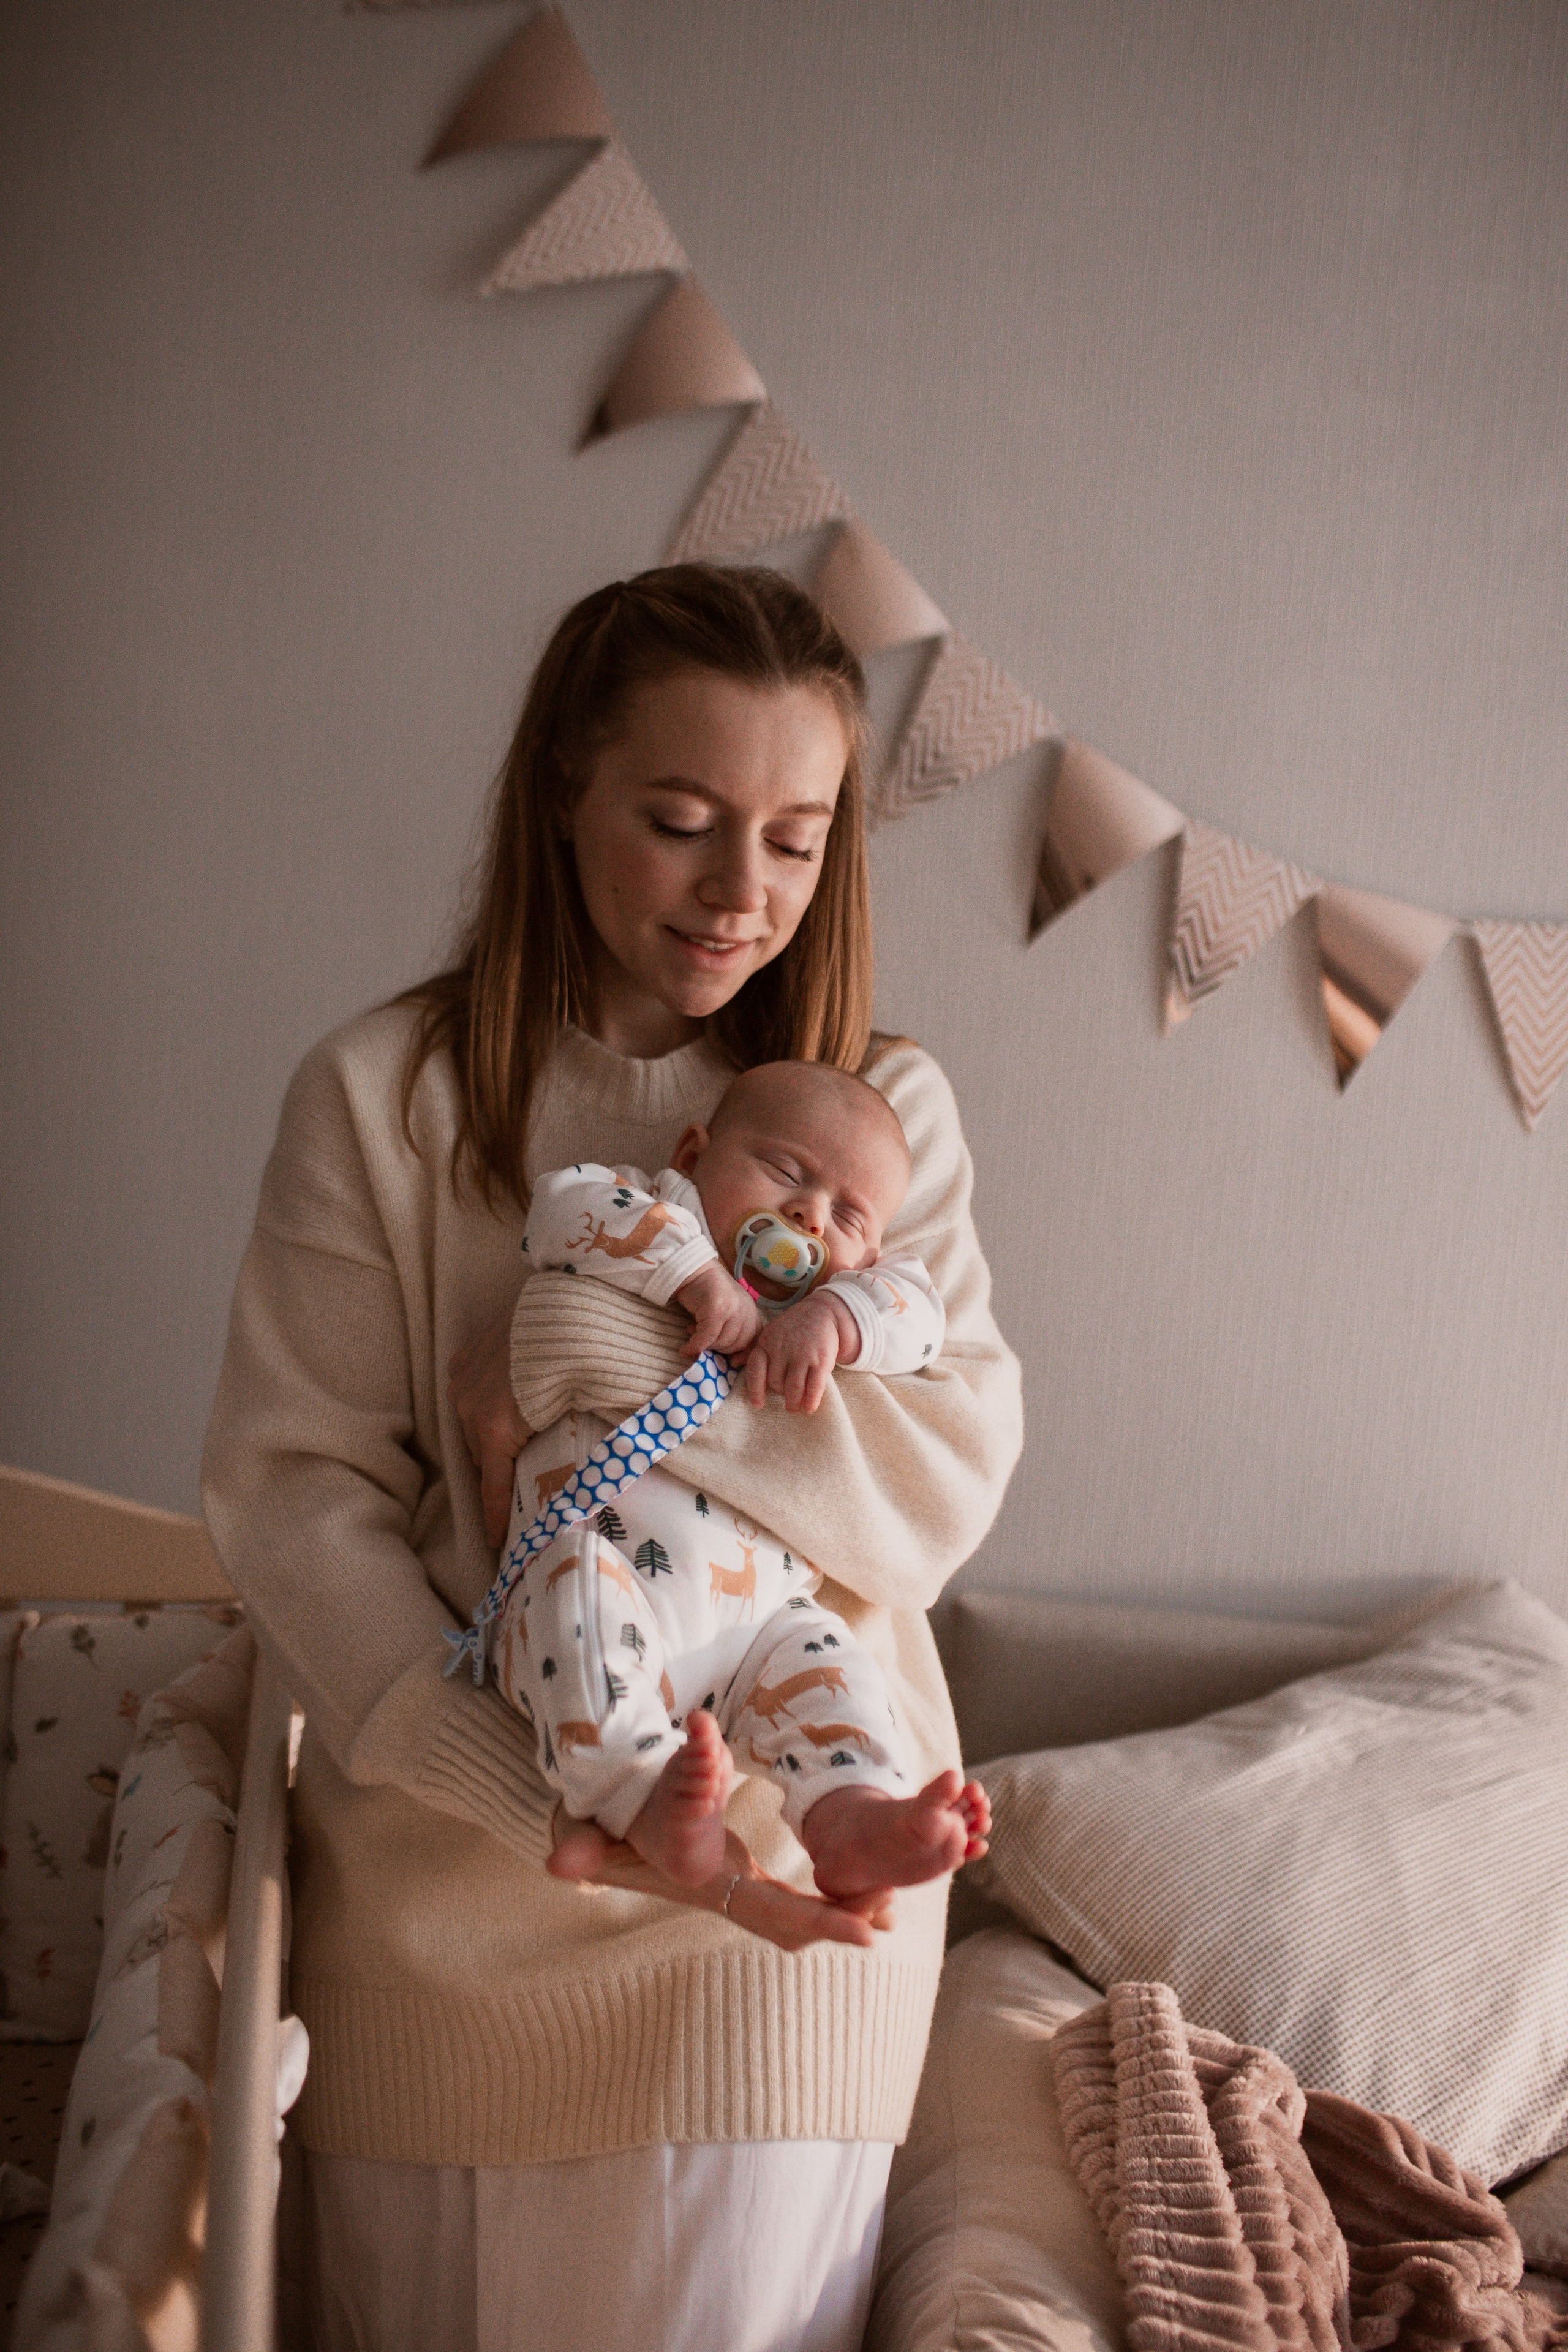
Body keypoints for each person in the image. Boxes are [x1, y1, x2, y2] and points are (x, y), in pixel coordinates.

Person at [202, 564, 1023, 2352]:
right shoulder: (385, 1099)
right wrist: (530, 1795)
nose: (742, 895)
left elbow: (937, 1475)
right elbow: (296, 1502)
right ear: (565, 789)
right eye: (680, 823)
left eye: (795, 842)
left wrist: (555, 1386)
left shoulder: (878, 1122)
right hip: (445, 1913)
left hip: (780, 1926)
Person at [491, 1057, 992, 1899]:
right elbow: (562, 1208)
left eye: (847, 1216)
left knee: (830, 1666)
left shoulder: (850, 1292)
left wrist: (836, 1316)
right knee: (570, 1594)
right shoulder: (652, 1208)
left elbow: (921, 1313)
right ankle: (640, 1793)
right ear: (693, 1158)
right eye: (787, 1173)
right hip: (605, 1572)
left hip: (760, 1625)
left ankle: (852, 1816)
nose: (809, 1214)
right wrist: (693, 1276)